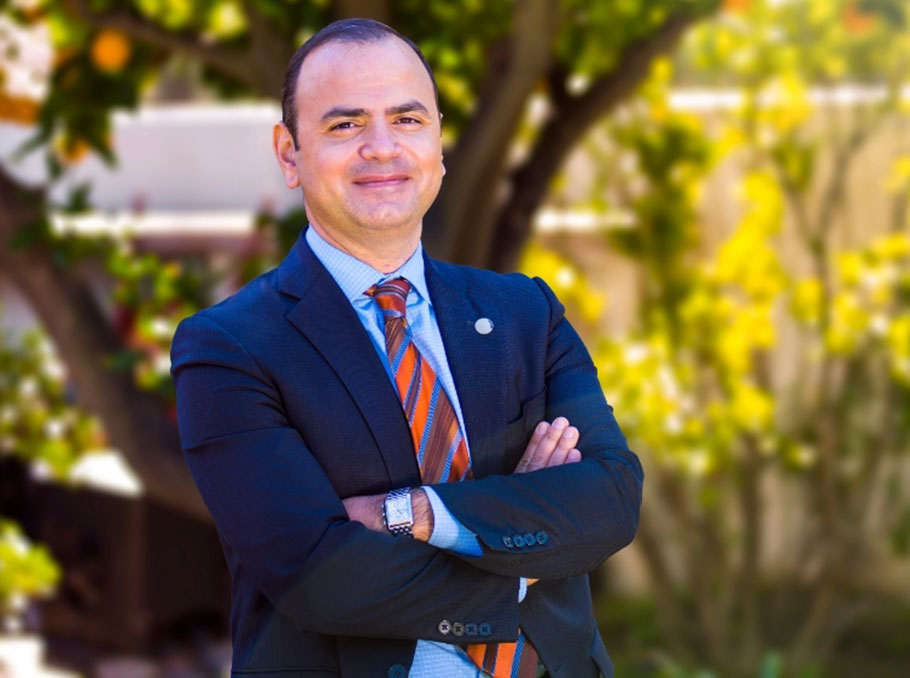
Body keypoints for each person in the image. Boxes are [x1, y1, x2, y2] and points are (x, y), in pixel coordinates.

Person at [170, 17, 642, 678]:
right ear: (289, 154)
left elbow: (610, 500)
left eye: (407, 119)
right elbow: (321, 579)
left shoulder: (526, 313)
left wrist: (409, 514)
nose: (382, 148)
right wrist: (524, 551)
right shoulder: (229, 348)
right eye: (345, 125)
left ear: (438, 142)